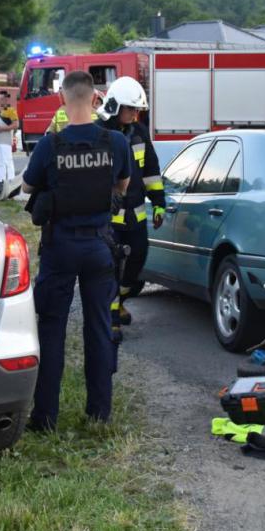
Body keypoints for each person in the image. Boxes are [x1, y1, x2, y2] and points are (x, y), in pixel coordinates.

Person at [23, 71, 130, 431]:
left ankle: (45, 417)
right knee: (98, 328)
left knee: (52, 328)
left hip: (60, 245)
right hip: (100, 245)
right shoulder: (115, 141)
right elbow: (123, 185)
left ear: (61, 101)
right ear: (95, 99)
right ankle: (99, 412)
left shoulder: (49, 145)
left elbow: (26, 185)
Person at [97, 76, 165, 338]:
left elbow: (151, 171)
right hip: (110, 218)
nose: (135, 114)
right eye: (131, 109)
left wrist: (159, 203)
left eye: (138, 110)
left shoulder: (139, 132)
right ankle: (111, 318)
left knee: (137, 263)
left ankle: (120, 301)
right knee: (111, 267)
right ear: (115, 106)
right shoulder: (100, 134)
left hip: (136, 216)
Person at [0, 90, 17, 183]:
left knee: (8, 162)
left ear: (6, 99)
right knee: (0, 163)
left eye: (2, 99)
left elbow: (15, 125)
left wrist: (2, 129)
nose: (0, 101)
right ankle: (1, 181)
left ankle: (11, 182)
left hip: (5, 140)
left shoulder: (11, 110)